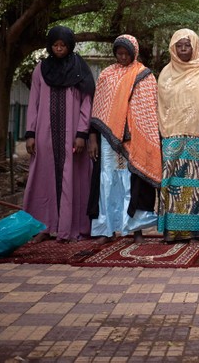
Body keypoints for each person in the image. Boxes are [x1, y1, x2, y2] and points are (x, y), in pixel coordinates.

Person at [23, 26, 95, 243]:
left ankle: (72, 227)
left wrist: (82, 134)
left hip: (73, 138)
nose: (59, 49)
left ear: (70, 45)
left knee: (74, 179)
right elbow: (33, 103)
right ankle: (43, 227)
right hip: (45, 136)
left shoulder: (80, 69)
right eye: (55, 45)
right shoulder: (40, 70)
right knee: (43, 180)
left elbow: (87, 103)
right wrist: (30, 133)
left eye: (63, 45)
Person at [87, 35, 161, 244]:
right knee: (107, 180)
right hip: (109, 139)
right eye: (118, 53)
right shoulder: (106, 75)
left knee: (132, 183)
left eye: (126, 53)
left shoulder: (144, 75)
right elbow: (99, 109)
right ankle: (106, 229)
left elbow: (147, 110)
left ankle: (135, 229)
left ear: (134, 53)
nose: (122, 57)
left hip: (134, 139)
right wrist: (93, 136)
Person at [156, 29, 199, 242]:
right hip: (172, 137)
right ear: (173, 48)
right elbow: (161, 106)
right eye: (179, 46)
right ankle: (174, 230)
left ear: (195, 47)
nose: (183, 49)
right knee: (174, 183)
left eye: (187, 45)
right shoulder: (166, 73)